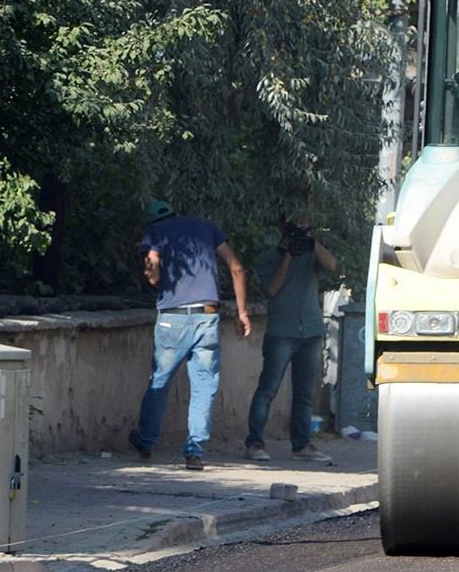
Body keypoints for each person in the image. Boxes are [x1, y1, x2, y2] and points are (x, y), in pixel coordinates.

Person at [132, 199, 251, 470]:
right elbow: (237, 268)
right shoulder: (206, 227)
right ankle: (195, 452)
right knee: (204, 387)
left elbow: (152, 272)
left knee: (160, 382)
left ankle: (146, 442)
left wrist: (156, 276)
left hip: (173, 318)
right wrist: (242, 312)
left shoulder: (156, 231)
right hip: (208, 316)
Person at [243, 218, 338, 465]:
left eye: (308, 230)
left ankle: (302, 445)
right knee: (268, 390)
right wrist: (288, 254)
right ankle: (254, 442)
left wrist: (312, 242)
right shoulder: (268, 258)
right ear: (284, 234)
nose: (302, 237)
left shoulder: (312, 256)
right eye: (298, 232)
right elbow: (272, 289)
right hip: (281, 333)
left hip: (311, 332)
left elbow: (332, 265)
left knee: (305, 393)